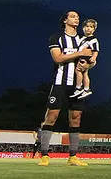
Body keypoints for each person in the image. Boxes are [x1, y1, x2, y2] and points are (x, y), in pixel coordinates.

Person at [37, 10, 93, 166]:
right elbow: (58, 57)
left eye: (77, 17)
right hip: (60, 83)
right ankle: (44, 155)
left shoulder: (83, 39)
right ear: (65, 20)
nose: (76, 19)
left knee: (76, 118)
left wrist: (89, 63)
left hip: (77, 85)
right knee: (52, 116)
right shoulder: (57, 37)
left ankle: (73, 156)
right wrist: (79, 53)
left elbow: (91, 60)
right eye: (73, 16)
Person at [71, 19, 99, 100]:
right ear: (83, 27)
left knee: (78, 71)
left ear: (94, 29)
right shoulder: (83, 38)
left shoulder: (93, 39)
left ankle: (78, 87)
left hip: (86, 58)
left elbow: (96, 50)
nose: (88, 28)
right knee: (85, 73)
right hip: (81, 56)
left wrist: (94, 57)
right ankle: (86, 89)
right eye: (87, 26)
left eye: (91, 27)